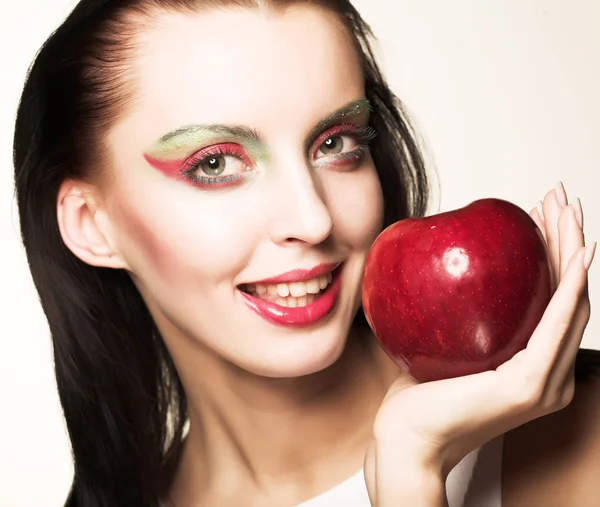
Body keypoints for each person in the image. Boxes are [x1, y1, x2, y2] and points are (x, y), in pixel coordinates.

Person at [12, 0, 600, 506]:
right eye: (215, 163)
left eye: (336, 144)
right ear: (94, 226)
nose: (312, 218)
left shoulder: (575, 445)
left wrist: (412, 460)